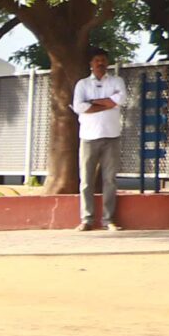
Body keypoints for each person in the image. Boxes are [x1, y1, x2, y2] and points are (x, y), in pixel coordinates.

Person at [72, 49, 125, 231]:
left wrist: (93, 102)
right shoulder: (83, 84)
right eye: (97, 60)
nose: (100, 63)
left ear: (107, 62)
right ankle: (87, 219)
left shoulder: (116, 81)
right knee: (86, 180)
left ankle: (108, 220)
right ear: (91, 63)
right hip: (88, 137)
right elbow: (79, 107)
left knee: (110, 179)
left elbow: (121, 99)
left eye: (103, 60)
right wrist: (108, 103)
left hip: (112, 136)